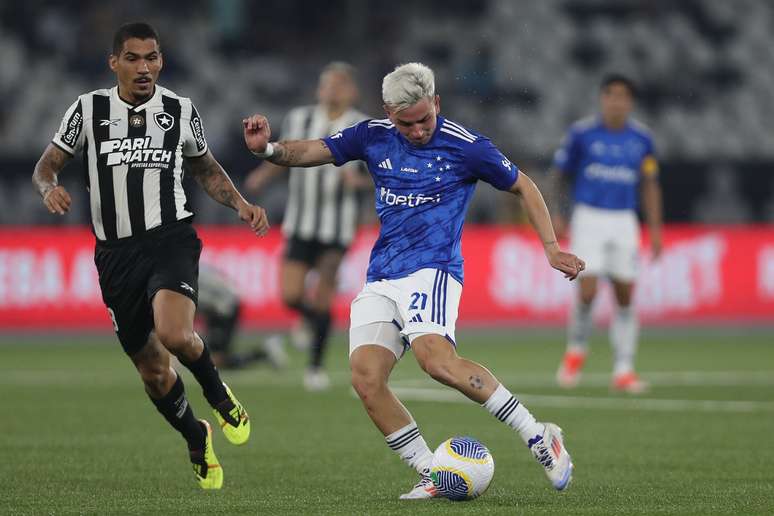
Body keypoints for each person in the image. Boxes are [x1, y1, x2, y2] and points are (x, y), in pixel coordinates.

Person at [243, 62, 585, 498]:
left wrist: (552, 247)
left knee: (436, 362)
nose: (419, 130)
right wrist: (267, 150)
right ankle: (431, 472)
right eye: (407, 123)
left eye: (425, 118)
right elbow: (313, 151)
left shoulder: (466, 146)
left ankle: (538, 434)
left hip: (434, 269)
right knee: (366, 378)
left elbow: (525, 186)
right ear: (389, 114)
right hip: (382, 274)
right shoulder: (372, 135)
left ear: (436, 103)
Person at [31, 22, 268, 490]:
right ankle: (195, 434)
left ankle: (220, 398)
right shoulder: (88, 109)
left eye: (153, 58)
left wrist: (239, 202)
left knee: (175, 334)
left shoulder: (179, 110)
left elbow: (204, 166)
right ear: (114, 61)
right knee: (154, 371)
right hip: (115, 254)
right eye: (134, 58)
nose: (145, 68)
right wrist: (48, 188)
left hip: (169, 238)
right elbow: (47, 164)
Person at [244, 62, 370, 391]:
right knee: (291, 295)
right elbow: (284, 153)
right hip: (300, 221)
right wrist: (263, 173)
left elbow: (375, 174)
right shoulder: (299, 118)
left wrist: (358, 182)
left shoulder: (361, 125)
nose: (333, 89)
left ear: (352, 91)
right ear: (318, 89)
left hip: (338, 226)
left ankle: (315, 367)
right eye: (327, 83)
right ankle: (310, 324)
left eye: (340, 83)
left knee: (325, 291)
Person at [550, 73, 663, 394]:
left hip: (624, 220)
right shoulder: (582, 134)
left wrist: (654, 230)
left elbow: (650, 184)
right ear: (602, 99)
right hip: (588, 217)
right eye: (611, 95)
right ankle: (576, 350)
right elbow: (559, 175)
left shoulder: (642, 139)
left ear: (630, 102)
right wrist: (557, 213)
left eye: (623, 96)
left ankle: (624, 368)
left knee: (625, 294)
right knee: (587, 291)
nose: (617, 102)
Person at [198, 265, 287, 370]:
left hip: (225, 305)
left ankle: (264, 353)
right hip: (220, 304)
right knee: (212, 358)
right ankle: (265, 352)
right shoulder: (189, 267)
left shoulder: (183, 276)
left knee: (215, 360)